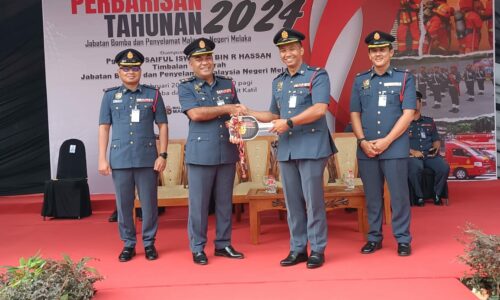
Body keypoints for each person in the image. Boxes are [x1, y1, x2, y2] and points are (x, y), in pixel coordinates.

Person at [247, 28, 337, 269]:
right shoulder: (279, 82)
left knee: (313, 201)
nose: (287, 53)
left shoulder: (317, 75)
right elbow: (273, 115)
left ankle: (317, 249)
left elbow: (319, 109)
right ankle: (298, 248)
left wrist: (289, 122)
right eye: (283, 50)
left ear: (300, 50)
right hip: (287, 149)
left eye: (291, 48)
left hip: (311, 147)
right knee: (293, 203)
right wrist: (247, 112)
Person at [178, 38, 245, 265]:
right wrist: (227, 108)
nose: (204, 62)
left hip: (226, 150)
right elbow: (196, 114)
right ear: (190, 63)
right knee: (198, 204)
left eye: (208, 57)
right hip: (200, 154)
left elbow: (236, 113)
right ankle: (198, 247)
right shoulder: (186, 86)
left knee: (225, 202)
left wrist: (240, 123)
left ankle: (223, 244)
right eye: (199, 59)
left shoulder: (228, 84)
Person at [98, 49, 168, 262]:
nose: (130, 72)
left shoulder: (153, 94)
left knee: (149, 203)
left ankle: (149, 243)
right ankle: (128, 243)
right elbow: (104, 127)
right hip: (120, 159)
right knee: (124, 205)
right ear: (119, 72)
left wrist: (162, 154)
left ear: (140, 70)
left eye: (135, 68)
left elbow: (163, 125)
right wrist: (102, 157)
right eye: (126, 69)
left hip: (147, 158)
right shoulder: (110, 96)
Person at [350, 31, 416, 256]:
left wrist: (387, 141)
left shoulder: (405, 78)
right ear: (369, 54)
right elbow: (355, 113)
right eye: (373, 50)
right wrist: (362, 141)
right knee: (372, 196)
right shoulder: (361, 80)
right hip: (367, 148)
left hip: (394, 147)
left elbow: (408, 114)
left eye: (382, 50)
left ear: (391, 52)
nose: (378, 54)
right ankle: (374, 237)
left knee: (398, 196)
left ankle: (403, 239)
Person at [408, 91, 450, 206]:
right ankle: (419, 196)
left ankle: (437, 194)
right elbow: (399, 143)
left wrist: (435, 148)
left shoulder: (429, 121)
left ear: (420, 103)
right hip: (412, 156)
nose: (413, 103)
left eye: (416, 101)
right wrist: (412, 151)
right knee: (416, 168)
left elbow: (436, 139)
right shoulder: (403, 123)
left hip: (429, 155)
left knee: (444, 167)